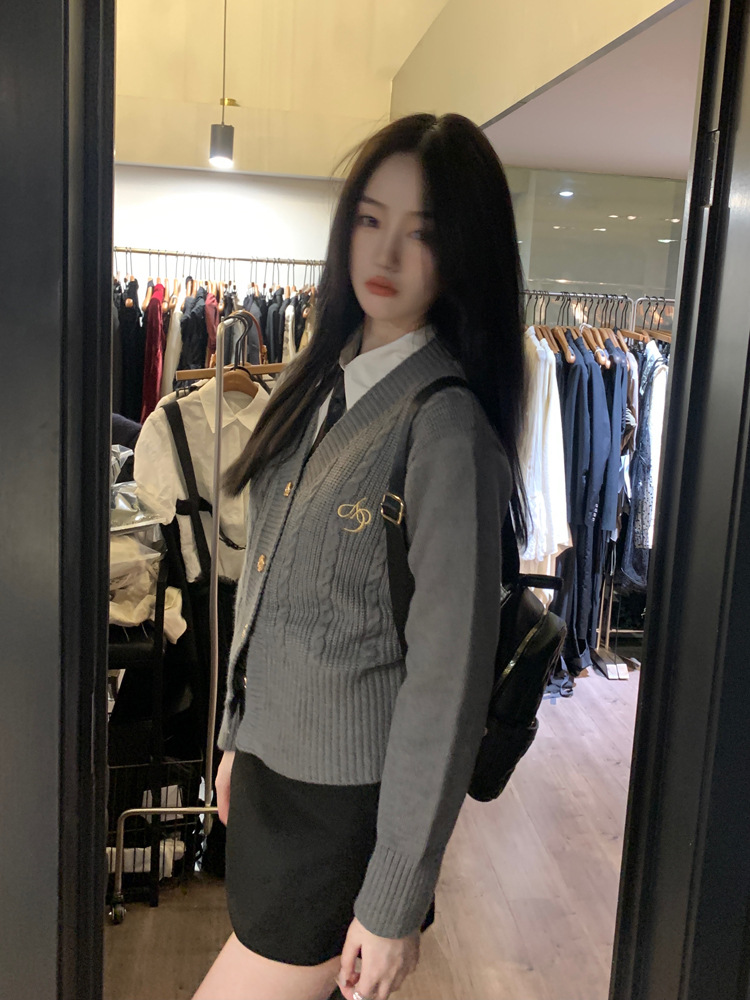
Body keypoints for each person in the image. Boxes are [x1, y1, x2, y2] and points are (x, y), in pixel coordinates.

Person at [192, 112, 528, 1000]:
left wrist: (393, 901)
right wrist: (237, 733)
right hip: (270, 781)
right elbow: (270, 584)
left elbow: (446, 689)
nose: (386, 252)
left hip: (340, 817)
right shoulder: (323, 377)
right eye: (372, 219)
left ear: (461, 254)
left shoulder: (444, 430)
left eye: (424, 232)